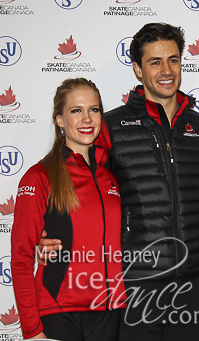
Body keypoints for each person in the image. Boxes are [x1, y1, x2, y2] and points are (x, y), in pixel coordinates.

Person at [37, 23, 199, 340]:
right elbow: (76, 181)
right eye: (155, 61)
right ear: (137, 69)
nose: (167, 70)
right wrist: (48, 231)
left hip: (196, 280)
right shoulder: (111, 126)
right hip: (138, 280)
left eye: (174, 60)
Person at [12, 78, 127, 340]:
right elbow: (21, 259)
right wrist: (31, 330)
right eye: (76, 110)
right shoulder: (39, 177)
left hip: (110, 312)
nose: (87, 118)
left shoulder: (111, 177)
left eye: (94, 110)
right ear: (60, 120)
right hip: (59, 314)